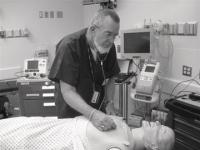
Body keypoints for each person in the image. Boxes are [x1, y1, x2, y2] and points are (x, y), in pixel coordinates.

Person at [48, 9, 120, 131]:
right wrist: (92, 114)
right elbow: (68, 91)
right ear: (93, 29)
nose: (112, 40)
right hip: (72, 113)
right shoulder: (69, 46)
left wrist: (110, 102)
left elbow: (111, 77)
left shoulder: (108, 47)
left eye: (115, 36)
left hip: (98, 110)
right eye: (108, 34)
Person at [0, 116, 175, 150]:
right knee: (11, 124)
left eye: (162, 131)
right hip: (59, 125)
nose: (159, 123)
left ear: (153, 146)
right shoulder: (125, 128)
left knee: (10, 137)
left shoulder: (123, 146)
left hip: (58, 139)